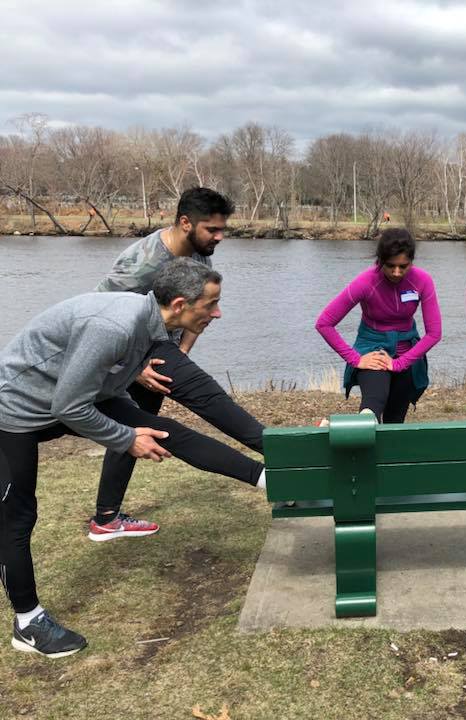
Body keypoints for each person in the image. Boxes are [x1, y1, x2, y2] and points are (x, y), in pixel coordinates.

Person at [0, 259, 267, 657]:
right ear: (179, 305)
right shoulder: (115, 326)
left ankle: (269, 480)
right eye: (211, 304)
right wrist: (126, 438)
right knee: (17, 516)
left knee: (167, 431)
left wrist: (130, 420)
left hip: (77, 399)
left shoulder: (150, 324)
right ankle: (28, 623)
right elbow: (69, 405)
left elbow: (93, 388)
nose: (217, 313)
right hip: (16, 411)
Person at [90, 187, 265, 541]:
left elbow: (197, 312)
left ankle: (106, 518)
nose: (219, 237)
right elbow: (98, 316)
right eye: (211, 229)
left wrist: (182, 351)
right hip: (138, 354)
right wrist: (134, 369)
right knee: (211, 399)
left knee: (137, 427)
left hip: (164, 352)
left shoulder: (201, 258)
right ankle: (287, 457)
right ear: (185, 223)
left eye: (222, 229)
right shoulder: (141, 261)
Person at [315, 229, 441, 422]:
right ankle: (353, 437)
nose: (397, 272)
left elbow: (434, 333)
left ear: (411, 261)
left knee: (395, 421)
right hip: (373, 350)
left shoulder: (423, 280)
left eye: (403, 266)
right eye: (390, 265)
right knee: (371, 410)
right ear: (380, 260)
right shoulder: (366, 282)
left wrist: (400, 363)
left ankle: (391, 452)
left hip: (407, 354)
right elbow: (324, 323)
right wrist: (355, 359)